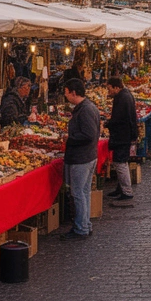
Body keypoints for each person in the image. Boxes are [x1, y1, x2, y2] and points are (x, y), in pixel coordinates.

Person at [60, 78, 101, 240]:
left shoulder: (85, 110)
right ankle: (85, 224)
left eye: (66, 93)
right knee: (83, 192)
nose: (66, 96)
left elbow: (88, 135)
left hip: (82, 158)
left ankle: (81, 228)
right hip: (87, 155)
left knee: (78, 193)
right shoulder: (87, 107)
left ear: (73, 92)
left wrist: (69, 139)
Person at [105, 76, 139, 202]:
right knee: (120, 162)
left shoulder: (122, 98)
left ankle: (127, 191)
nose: (109, 92)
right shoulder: (125, 95)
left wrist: (107, 124)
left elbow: (118, 119)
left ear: (116, 87)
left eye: (110, 89)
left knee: (120, 163)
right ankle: (120, 188)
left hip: (122, 136)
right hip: (125, 135)